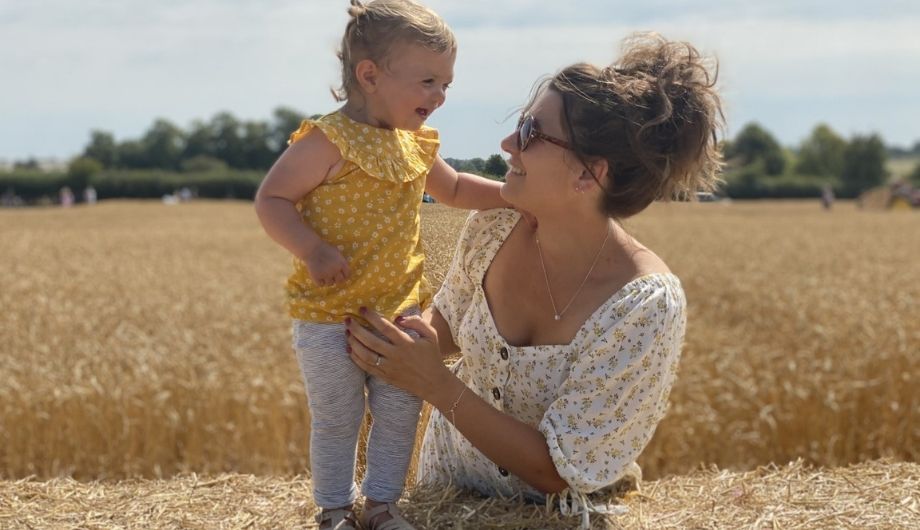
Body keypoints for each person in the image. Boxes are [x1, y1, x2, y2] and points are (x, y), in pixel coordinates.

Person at [345, 33, 724, 529]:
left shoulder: (645, 305)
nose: (506, 144)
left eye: (529, 132)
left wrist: (433, 383)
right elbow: (449, 325)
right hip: (443, 496)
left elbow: (558, 471)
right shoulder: (494, 226)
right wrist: (384, 332)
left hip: (559, 519)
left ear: (590, 175)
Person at [253, 1, 508, 529]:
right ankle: (334, 510)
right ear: (370, 75)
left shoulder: (413, 143)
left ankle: (384, 507)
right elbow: (272, 199)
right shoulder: (327, 141)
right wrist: (312, 249)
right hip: (328, 315)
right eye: (428, 81)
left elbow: (456, 187)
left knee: (399, 414)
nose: (439, 97)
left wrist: (515, 197)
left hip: (399, 312)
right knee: (337, 419)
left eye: (446, 85)